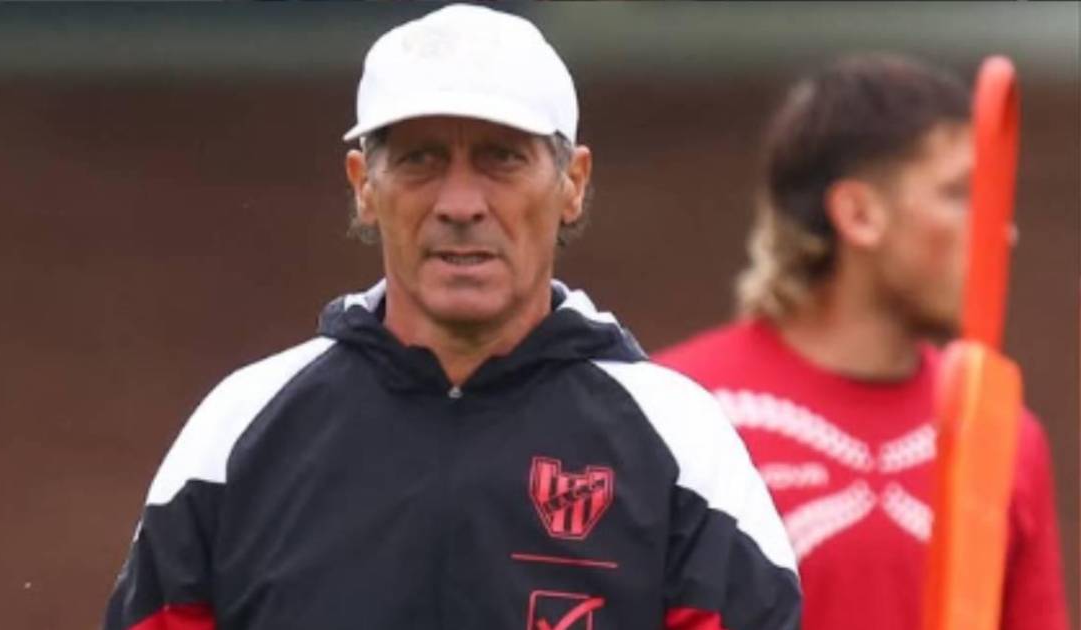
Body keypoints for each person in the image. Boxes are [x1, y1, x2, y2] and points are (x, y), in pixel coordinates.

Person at [103, 5, 799, 629]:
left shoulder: (682, 445)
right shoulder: (239, 433)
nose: (460, 203)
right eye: (421, 160)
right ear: (364, 187)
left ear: (572, 184)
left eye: (501, 159)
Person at [653, 54, 1068, 630]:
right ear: (859, 214)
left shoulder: (1005, 436)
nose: (1004, 231)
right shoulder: (675, 416)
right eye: (958, 194)